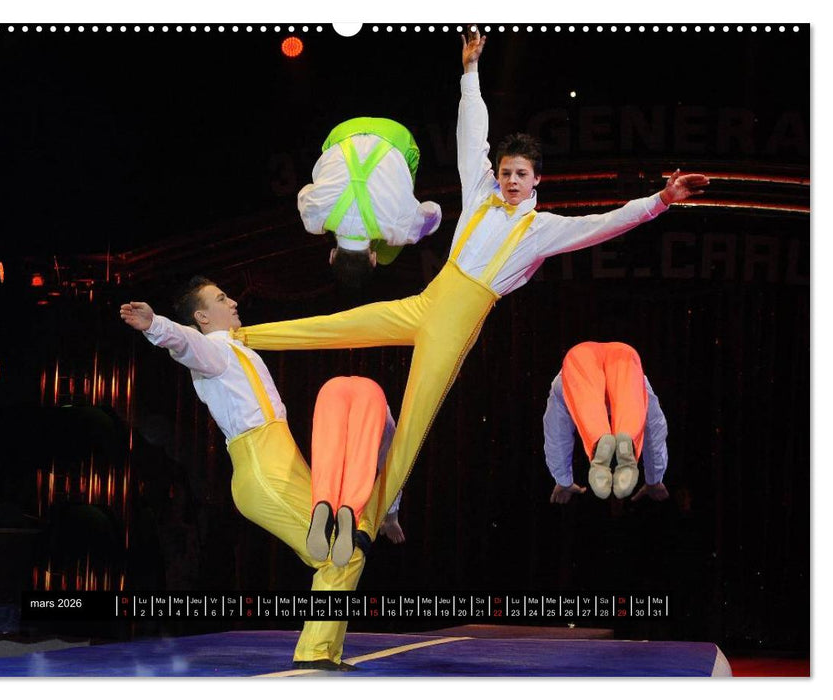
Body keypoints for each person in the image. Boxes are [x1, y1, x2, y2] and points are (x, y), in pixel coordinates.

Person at [230, 28, 707, 548]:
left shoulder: (541, 230)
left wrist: (660, 199)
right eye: (506, 172)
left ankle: (366, 522)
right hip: (426, 303)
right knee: (334, 326)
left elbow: (605, 222)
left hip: (453, 329)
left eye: (521, 174)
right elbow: (471, 134)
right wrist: (471, 71)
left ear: (536, 181)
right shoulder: (480, 190)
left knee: (411, 425)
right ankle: (237, 340)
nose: (510, 180)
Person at [120, 279, 362, 671]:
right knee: (339, 554)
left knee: (346, 549)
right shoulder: (214, 350)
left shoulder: (234, 348)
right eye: (220, 299)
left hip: (282, 459)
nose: (232, 302)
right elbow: (185, 343)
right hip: (263, 467)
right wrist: (155, 326)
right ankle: (316, 655)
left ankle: (323, 653)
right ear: (202, 317)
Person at [299, 117, 442, 290]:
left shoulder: (401, 230)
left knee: (387, 255)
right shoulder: (313, 220)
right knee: (326, 163)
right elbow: (306, 191)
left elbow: (434, 212)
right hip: (343, 132)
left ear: (372, 259)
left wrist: (406, 232)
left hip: (396, 135)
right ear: (332, 255)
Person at [544, 342, 670, 504]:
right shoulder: (641, 381)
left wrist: (563, 479)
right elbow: (654, 427)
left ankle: (598, 441)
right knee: (631, 412)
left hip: (579, 358)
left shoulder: (561, 381)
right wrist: (654, 478)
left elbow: (556, 431)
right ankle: (628, 441)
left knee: (588, 409)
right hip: (624, 357)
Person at [308, 376, 403, 566]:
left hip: (330, 389)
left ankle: (323, 501)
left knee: (327, 456)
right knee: (362, 460)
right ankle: (350, 510)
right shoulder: (386, 427)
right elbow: (392, 470)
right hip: (372, 395)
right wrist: (391, 517)